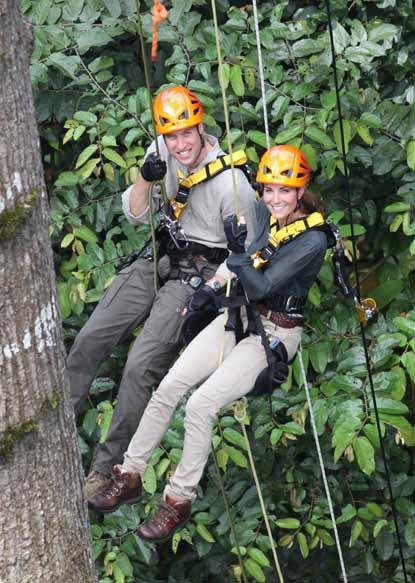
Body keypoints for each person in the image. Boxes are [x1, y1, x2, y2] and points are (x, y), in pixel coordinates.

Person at [87, 144, 329, 543]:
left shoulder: (311, 242)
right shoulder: (271, 220)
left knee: (201, 405)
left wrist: (235, 256)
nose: (274, 199)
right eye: (268, 190)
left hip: (273, 334)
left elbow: (262, 282)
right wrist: (209, 289)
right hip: (239, 317)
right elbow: (242, 266)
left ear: (301, 191)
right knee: (168, 387)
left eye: (284, 191)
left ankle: (176, 502)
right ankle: (128, 474)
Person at [67, 85, 257, 500]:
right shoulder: (162, 153)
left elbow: (251, 252)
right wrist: (144, 177)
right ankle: (55, 430)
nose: (180, 144)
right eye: (172, 136)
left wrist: (211, 289)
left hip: (199, 273)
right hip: (159, 257)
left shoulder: (233, 183)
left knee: (139, 367)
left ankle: (105, 470)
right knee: (89, 339)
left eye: (186, 134)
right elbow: (135, 214)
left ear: (200, 128)